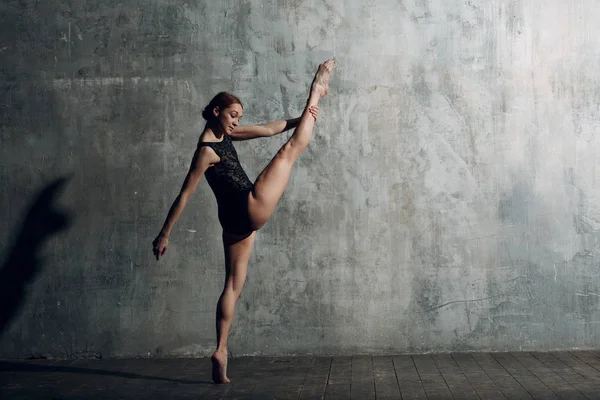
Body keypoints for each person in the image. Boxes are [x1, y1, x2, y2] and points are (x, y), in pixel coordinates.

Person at [152, 59, 334, 383]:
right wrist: (164, 234)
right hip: (250, 206)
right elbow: (184, 195)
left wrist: (298, 119)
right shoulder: (206, 150)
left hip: (234, 223)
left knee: (233, 286)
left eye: (239, 117)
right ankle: (317, 91)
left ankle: (221, 349)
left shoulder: (226, 136)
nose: (237, 122)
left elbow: (266, 128)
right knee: (289, 153)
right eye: (233, 115)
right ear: (215, 111)